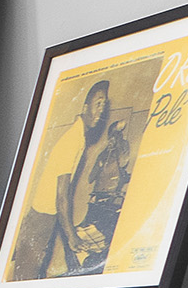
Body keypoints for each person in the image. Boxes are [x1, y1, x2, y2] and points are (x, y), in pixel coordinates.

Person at [39, 78, 135, 276]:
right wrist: (72, 236)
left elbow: (125, 164)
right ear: (85, 107)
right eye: (97, 103)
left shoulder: (118, 150)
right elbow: (65, 195)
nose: (101, 111)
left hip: (108, 203)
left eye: (104, 105)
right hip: (47, 214)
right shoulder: (74, 140)